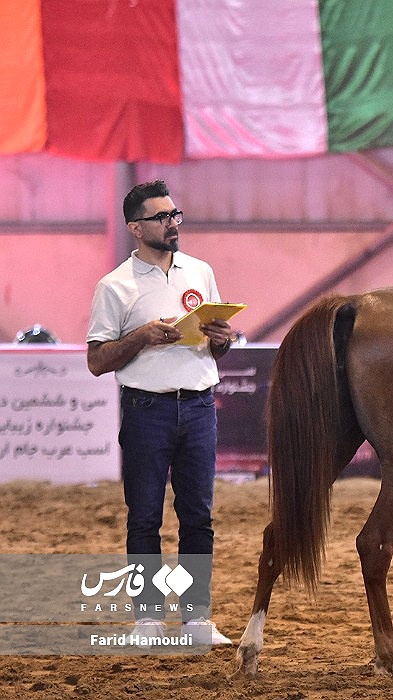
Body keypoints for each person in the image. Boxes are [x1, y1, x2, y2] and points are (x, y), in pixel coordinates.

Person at [86, 180, 234, 647]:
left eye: (175, 215)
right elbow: (96, 360)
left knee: (198, 517)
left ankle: (195, 619)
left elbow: (219, 346)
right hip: (146, 409)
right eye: (162, 217)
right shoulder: (114, 286)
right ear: (135, 227)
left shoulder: (200, 271)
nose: (173, 224)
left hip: (198, 406)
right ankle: (147, 620)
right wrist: (141, 337)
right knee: (145, 517)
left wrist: (222, 339)